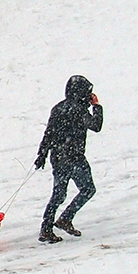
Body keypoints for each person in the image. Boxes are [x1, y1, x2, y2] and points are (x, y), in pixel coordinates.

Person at [34, 74, 104, 242]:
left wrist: (42, 155)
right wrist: (96, 106)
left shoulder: (58, 108)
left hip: (58, 157)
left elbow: (48, 133)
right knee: (88, 189)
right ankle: (66, 218)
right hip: (74, 157)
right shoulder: (79, 110)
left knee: (58, 195)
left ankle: (46, 229)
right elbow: (96, 126)